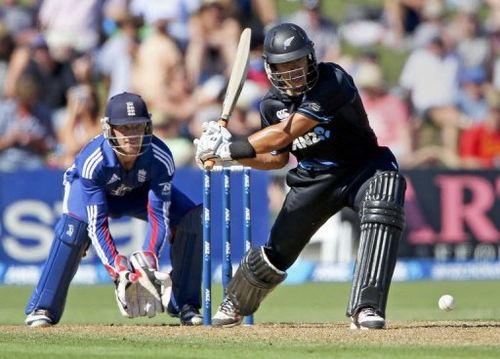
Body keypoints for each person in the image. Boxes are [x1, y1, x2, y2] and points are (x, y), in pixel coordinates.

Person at [195, 23, 407, 329]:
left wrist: (232, 145)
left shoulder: (333, 79)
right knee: (277, 254)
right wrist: (226, 157)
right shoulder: (271, 105)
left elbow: (286, 133)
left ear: (311, 58)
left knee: (385, 198)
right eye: (284, 66)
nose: (294, 72)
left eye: (298, 63)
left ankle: (367, 307)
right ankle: (236, 300)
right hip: (314, 179)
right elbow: (276, 157)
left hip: (364, 167)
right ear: (270, 69)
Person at [25, 92, 203, 327]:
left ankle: (185, 304)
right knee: (74, 229)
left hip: (137, 194)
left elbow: (159, 215)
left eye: (137, 127)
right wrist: (117, 268)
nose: (131, 136)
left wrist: (149, 256)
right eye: (124, 128)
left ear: (147, 127)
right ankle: (42, 307)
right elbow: (97, 224)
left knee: (193, 219)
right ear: (109, 129)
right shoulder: (94, 160)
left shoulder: (160, 157)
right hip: (91, 192)